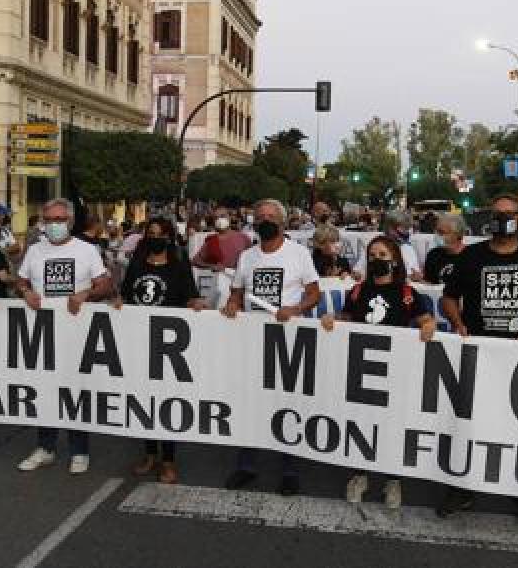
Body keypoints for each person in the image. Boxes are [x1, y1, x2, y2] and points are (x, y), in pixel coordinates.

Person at [437, 194, 518, 531]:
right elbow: (449, 297)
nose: (504, 218)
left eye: (511, 214)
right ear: (490, 218)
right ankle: (462, 488)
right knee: (469, 422)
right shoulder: (473, 255)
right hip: (479, 354)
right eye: (499, 213)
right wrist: (458, 322)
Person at [325, 235, 435, 509]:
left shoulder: (407, 293)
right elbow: (347, 317)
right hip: (362, 369)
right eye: (372, 255)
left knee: (393, 425)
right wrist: (333, 319)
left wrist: (428, 324)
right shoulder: (358, 291)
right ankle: (359, 475)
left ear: (395, 260)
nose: (377, 260)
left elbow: (424, 318)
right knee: (361, 421)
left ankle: (393, 479)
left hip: (395, 371)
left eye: (383, 255)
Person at [222, 198, 321, 496]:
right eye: (259, 216)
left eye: (269, 216)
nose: (263, 220)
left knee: (285, 404)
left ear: (281, 222)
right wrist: (231, 303)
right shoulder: (247, 257)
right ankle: (246, 465)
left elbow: (314, 293)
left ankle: (290, 469)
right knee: (250, 403)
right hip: (252, 342)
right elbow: (237, 292)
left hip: (286, 341)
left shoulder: (298, 254)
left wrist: (295, 309)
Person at [16, 198, 112, 475]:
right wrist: (25, 292)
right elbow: (20, 279)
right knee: (45, 390)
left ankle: (79, 450)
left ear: (69, 221)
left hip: (77, 334)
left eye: (60, 220)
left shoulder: (86, 250)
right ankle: (45, 447)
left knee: (75, 391)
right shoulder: (34, 250)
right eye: (50, 220)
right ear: (43, 222)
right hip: (43, 334)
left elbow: (105, 283)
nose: (55, 225)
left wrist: (86, 294)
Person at [115, 216, 206, 484]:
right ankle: (149, 454)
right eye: (150, 233)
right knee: (144, 402)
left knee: (166, 404)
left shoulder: (179, 266)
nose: (155, 238)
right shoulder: (137, 264)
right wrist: (119, 302)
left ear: (168, 237)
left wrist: (195, 304)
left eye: (160, 234)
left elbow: (190, 296)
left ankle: (168, 460)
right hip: (140, 344)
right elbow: (127, 295)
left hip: (169, 348)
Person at [191, 207, 251, 273]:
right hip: (221, 279)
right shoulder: (211, 241)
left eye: (223, 216)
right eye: (216, 218)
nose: (220, 219)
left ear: (229, 217)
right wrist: (211, 266)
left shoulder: (243, 238)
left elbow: (253, 258)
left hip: (241, 278)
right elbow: (196, 261)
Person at [423, 213, 467, 284]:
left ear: (457, 234)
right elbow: (429, 282)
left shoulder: (471, 258)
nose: (437, 235)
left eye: (441, 232)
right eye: (436, 231)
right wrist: (421, 280)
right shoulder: (433, 255)